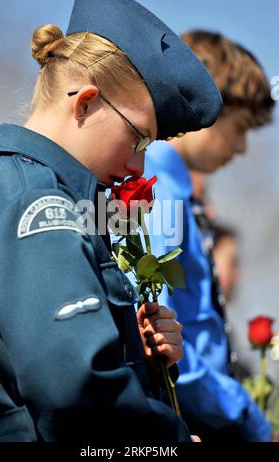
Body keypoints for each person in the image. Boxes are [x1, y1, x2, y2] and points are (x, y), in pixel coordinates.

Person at [0, 1, 222, 442]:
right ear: (86, 103)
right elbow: (77, 396)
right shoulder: (41, 204)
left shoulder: (11, 187)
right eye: (139, 138)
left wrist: (131, 352)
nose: (139, 166)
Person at [144, 30, 275, 441]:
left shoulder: (176, 189)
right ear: (206, 102)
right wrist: (248, 418)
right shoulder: (157, 187)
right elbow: (163, 331)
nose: (240, 148)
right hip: (196, 415)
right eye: (240, 128)